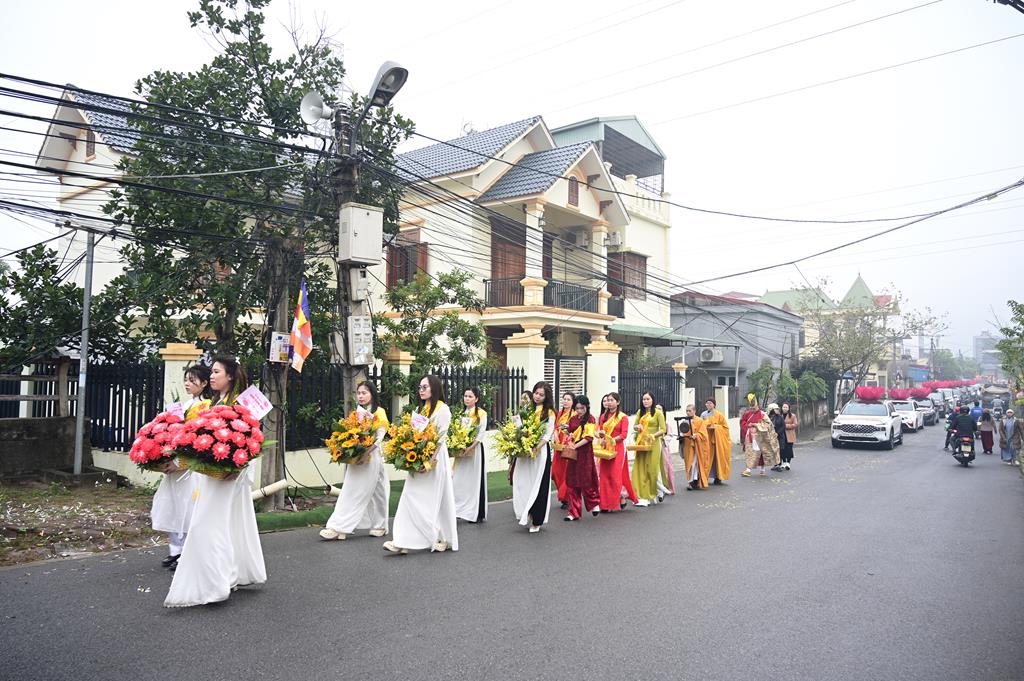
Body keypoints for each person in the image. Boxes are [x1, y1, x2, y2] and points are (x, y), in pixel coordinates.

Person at [165, 356, 265, 607]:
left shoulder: (242, 403)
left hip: (229, 475)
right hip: (212, 473)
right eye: (211, 371)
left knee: (209, 524)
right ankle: (228, 575)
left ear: (230, 376)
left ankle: (215, 582)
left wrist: (238, 467)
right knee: (226, 523)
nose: (211, 376)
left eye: (216, 371)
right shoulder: (213, 403)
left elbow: (253, 439)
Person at [384, 375, 458, 553]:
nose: (421, 390)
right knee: (409, 496)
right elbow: (415, 435)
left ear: (434, 388)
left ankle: (444, 537)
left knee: (437, 500)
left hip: (435, 460)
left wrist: (429, 462)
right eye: (420, 387)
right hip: (418, 461)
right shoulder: (420, 408)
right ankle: (402, 541)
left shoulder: (443, 409)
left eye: (425, 387)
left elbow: (440, 440)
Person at [151, 364, 210, 570]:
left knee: (188, 509)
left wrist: (180, 462)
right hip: (175, 464)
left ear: (204, 383)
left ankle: (186, 551)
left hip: (189, 468)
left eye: (193, 380)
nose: (187, 383)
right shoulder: (185, 405)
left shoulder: (205, 406)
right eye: (186, 379)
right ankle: (175, 550)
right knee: (174, 507)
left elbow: (197, 440)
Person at [320, 381, 390, 540]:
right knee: (351, 491)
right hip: (356, 460)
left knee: (377, 492)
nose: (361, 396)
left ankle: (379, 525)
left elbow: (378, 439)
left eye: (364, 393)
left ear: (372, 394)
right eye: (359, 393)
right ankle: (338, 526)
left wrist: (365, 454)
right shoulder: (356, 414)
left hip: (371, 459)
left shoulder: (380, 412)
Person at [510, 381, 556, 533]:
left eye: (541, 395)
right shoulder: (527, 409)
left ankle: (537, 519)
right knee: (522, 481)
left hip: (540, 452)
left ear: (546, 396)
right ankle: (526, 511)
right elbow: (521, 428)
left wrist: (537, 446)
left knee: (538, 484)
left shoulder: (549, 412)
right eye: (536, 393)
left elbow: (548, 434)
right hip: (525, 451)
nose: (537, 396)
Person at [452, 387, 488, 523]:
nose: (467, 399)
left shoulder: (481, 413)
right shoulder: (461, 413)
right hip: (461, 450)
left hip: (475, 450)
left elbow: (481, 433)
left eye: (470, 396)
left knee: (474, 481)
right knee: (459, 480)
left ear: (476, 399)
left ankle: (474, 512)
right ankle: (458, 509)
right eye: (465, 396)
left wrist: (470, 446)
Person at [596, 392, 637, 512]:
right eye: (608, 400)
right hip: (606, 449)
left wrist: (611, 440)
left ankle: (614, 502)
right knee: (603, 475)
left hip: (618, 448)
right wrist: (602, 439)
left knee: (614, 476)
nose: (609, 402)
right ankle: (604, 503)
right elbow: (601, 432)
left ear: (618, 402)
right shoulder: (603, 417)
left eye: (612, 400)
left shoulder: (623, 417)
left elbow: (623, 435)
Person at [562, 395, 600, 521]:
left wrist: (574, 446)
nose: (579, 411)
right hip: (574, 455)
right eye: (577, 408)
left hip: (585, 453)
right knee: (572, 482)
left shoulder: (590, 419)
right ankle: (573, 512)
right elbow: (572, 433)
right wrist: (567, 431)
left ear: (587, 407)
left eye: (581, 408)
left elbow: (588, 438)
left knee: (586, 480)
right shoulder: (572, 418)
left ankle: (594, 502)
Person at [631, 391, 666, 507]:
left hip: (654, 443)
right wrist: (638, 427)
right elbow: (634, 427)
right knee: (640, 469)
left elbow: (663, 429)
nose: (645, 401)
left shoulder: (657, 413)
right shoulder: (640, 412)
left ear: (652, 400)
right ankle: (642, 496)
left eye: (648, 399)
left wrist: (653, 435)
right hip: (642, 443)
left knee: (651, 469)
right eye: (644, 399)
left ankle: (653, 493)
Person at [679, 404, 711, 490]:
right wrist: (681, 436)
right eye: (687, 411)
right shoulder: (684, 421)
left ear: (694, 411)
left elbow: (704, 434)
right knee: (688, 464)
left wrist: (696, 435)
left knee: (694, 464)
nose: (688, 412)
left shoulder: (700, 421)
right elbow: (682, 431)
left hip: (697, 446)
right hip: (688, 446)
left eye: (690, 411)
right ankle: (691, 481)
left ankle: (694, 481)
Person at [552, 392, 574, 510]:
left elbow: (574, 431)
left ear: (573, 402)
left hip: (568, 445)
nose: (565, 401)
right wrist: (555, 434)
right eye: (564, 399)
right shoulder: (559, 413)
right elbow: (555, 427)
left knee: (567, 472)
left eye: (568, 399)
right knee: (555, 471)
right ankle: (563, 494)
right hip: (558, 445)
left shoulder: (574, 414)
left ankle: (566, 497)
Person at [700, 399, 731, 485]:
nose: (708, 404)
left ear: (714, 405)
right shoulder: (703, 414)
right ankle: (704, 476)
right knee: (706, 458)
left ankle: (718, 477)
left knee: (717, 459)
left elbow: (725, 428)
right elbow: (700, 425)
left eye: (710, 403)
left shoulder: (719, 415)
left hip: (717, 441)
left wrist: (715, 428)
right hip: (707, 440)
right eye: (707, 403)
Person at [655, 404, 676, 496]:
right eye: (656, 408)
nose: (658, 410)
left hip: (663, 447)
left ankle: (667, 486)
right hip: (654, 446)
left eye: (660, 409)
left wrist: (663, 439)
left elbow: (670, 435)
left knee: (665, 467)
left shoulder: (665, 423)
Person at [780, 403, 798, 471]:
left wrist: (786, 426)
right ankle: (784, 462)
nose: (784, 408)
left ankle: (788, 463)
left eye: (786, 407)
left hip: (790, 434)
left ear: (788, 408)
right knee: (782, 449)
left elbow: (795, 424)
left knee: (789, 449)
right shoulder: (780, 415)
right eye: (783, 407)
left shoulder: (792, 416)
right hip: (782, 435)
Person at [768, 404, 786, 471]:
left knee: (780, 450)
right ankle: (775, 464)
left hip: (780, 436)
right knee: (774, 450)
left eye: (778, 409)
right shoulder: (768, 417)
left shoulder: (780, 417)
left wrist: (777, 433)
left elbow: (783, 426)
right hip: (772, 437)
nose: (778, 410)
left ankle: (779, 464)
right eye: (776, 409)